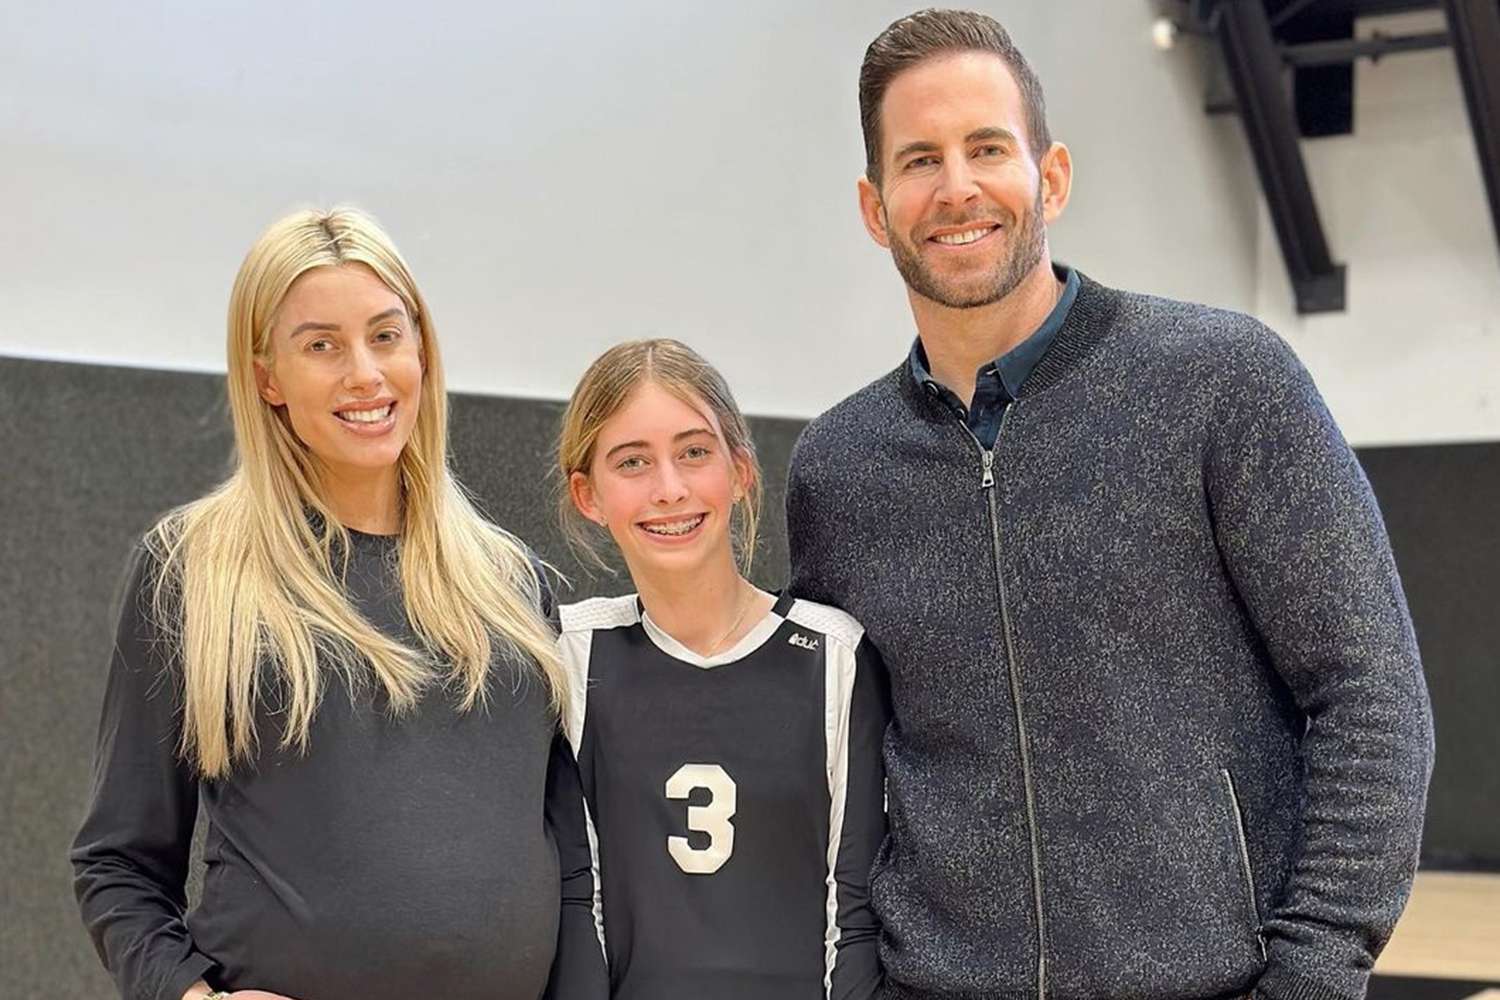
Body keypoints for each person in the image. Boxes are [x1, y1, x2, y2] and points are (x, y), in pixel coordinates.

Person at [785, 10, 1435, 1000]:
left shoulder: (1223, 381)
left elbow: (1372, 699)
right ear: (876, 209)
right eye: (920, 159)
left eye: (986, 147)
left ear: (1050, 177)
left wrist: (1309, 977)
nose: (956, 185)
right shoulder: (839, 468)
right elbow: (845, 774)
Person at [70, 208, 606, 1000]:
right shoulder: (191, 574)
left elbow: (570, 860)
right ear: (266, 378)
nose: (365, 373)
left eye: (387, 336)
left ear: (422, 350)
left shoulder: (513, 582)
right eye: (321, 345)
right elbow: (116, 864)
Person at [554, 338, 887, 1000]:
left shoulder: (834, 655)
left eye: (694, 452)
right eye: (632, 462)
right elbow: (575, 902)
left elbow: (852, 918)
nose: (670, 489)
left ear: (740, 471)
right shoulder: (571, 652)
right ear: (588, 495)